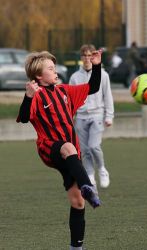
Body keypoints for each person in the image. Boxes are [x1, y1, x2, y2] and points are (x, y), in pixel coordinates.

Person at [17, 50, 103, 250]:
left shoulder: (64, 91)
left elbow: (93, 87)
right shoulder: (37, 95)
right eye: (50, 68)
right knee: (67, 146)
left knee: (78, 202)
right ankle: (88, 185)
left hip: (71, 155)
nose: (55, 71)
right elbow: (23, 117)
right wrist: (28, 96)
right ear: (39, 76)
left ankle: (76, 247)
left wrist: (97, 65)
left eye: (54, 67)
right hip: (50, 148)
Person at [70, 44, 114, 193]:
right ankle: (90, 175)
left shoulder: (103, 75)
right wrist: (71, 117)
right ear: (81, 58)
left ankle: (102, 169)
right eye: (85, 56)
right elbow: (70, 99)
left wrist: (109, 116)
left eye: (90, 56)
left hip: (97, 115)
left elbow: (107, 96)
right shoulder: (75, 77)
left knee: (94, 146)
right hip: (81, 117)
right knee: (84, 149)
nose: (87, 59)